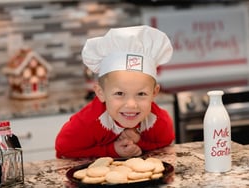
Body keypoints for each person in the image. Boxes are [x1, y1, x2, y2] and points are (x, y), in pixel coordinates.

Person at [55, 25, 175, 159]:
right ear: (101, 93)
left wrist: (139, 142)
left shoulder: (159, 121)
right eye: (119, 94)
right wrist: (111, 150)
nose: (131, 104)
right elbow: (63, 149)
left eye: (141, 94)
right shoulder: (88, 122)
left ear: (154, 92)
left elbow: (166, 143)